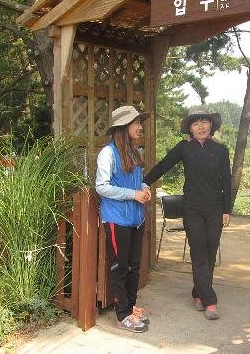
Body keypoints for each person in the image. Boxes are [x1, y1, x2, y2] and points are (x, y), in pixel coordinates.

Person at [143, 108, 231, 320]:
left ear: (211, 125)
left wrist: (227, 210)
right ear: (190, 129)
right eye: (195, 123)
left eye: (204, 122)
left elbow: (227, 181)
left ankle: (197, 292)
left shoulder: (220, 150)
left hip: (215, 208)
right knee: (198, 248)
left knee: (210, 250)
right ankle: (210, 301)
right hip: (192, 207)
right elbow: (164, 165)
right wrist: (145, 181)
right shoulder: (184, 148)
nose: (200, 126)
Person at [95, 106, 152, 333]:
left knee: (134, 267)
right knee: (121, 268)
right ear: (123, 127)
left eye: (140, 122)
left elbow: (138, 181)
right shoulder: (107, 153)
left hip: (136, 219)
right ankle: (122, 315)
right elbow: (101, 187)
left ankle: (130, 307)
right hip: (117, 220)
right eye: (136, 123)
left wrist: (144, 188)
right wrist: (133, 194)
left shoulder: (134, 151)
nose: (140, 127)